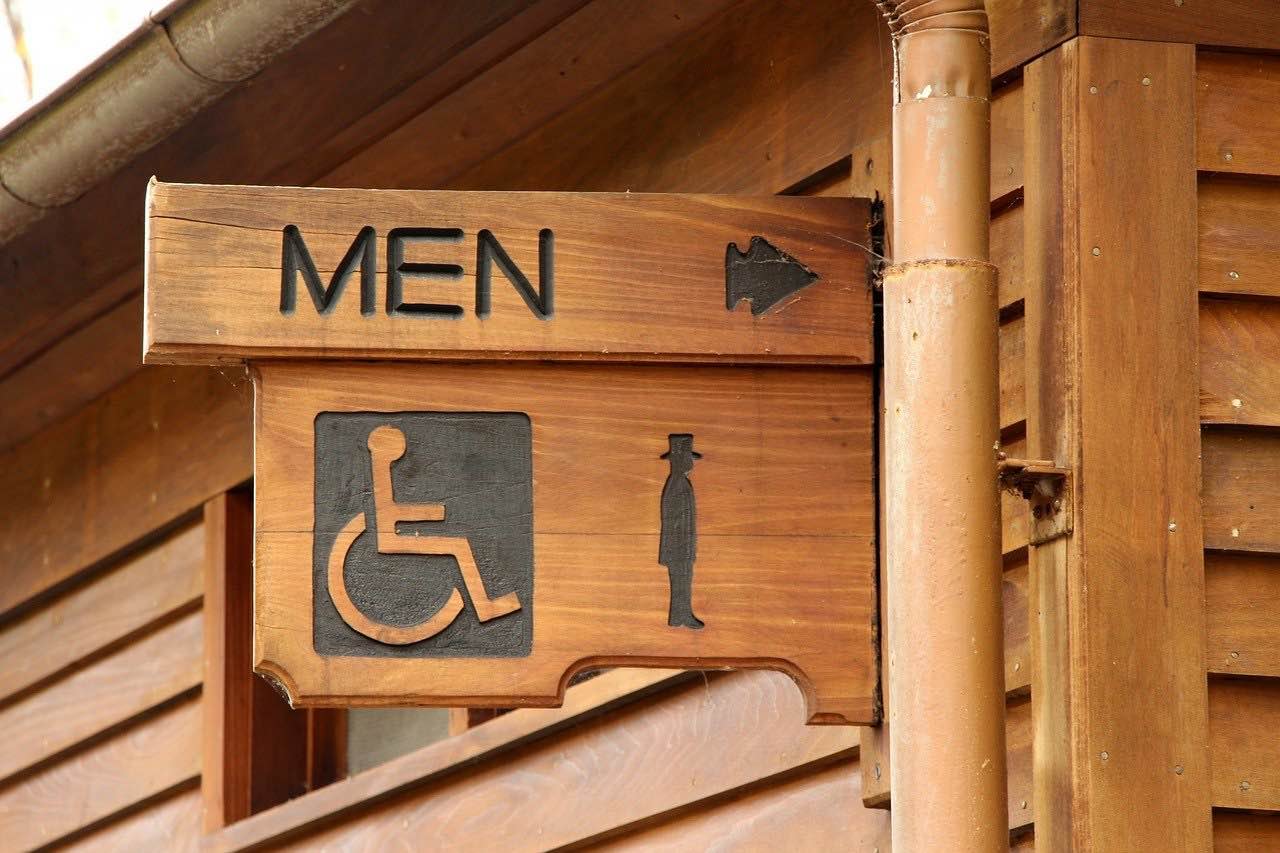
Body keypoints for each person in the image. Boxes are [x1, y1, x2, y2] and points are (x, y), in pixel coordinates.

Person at [659, 434, 704, 629]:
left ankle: (681, 614)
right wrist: (680, 545)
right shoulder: (677, 485)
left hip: (682, 546)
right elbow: (673, 518)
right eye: (688, 459)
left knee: (684, 579)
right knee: (681, 579)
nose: (691, 464)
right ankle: (680, 615)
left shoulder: (680, 483)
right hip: (678, 547)